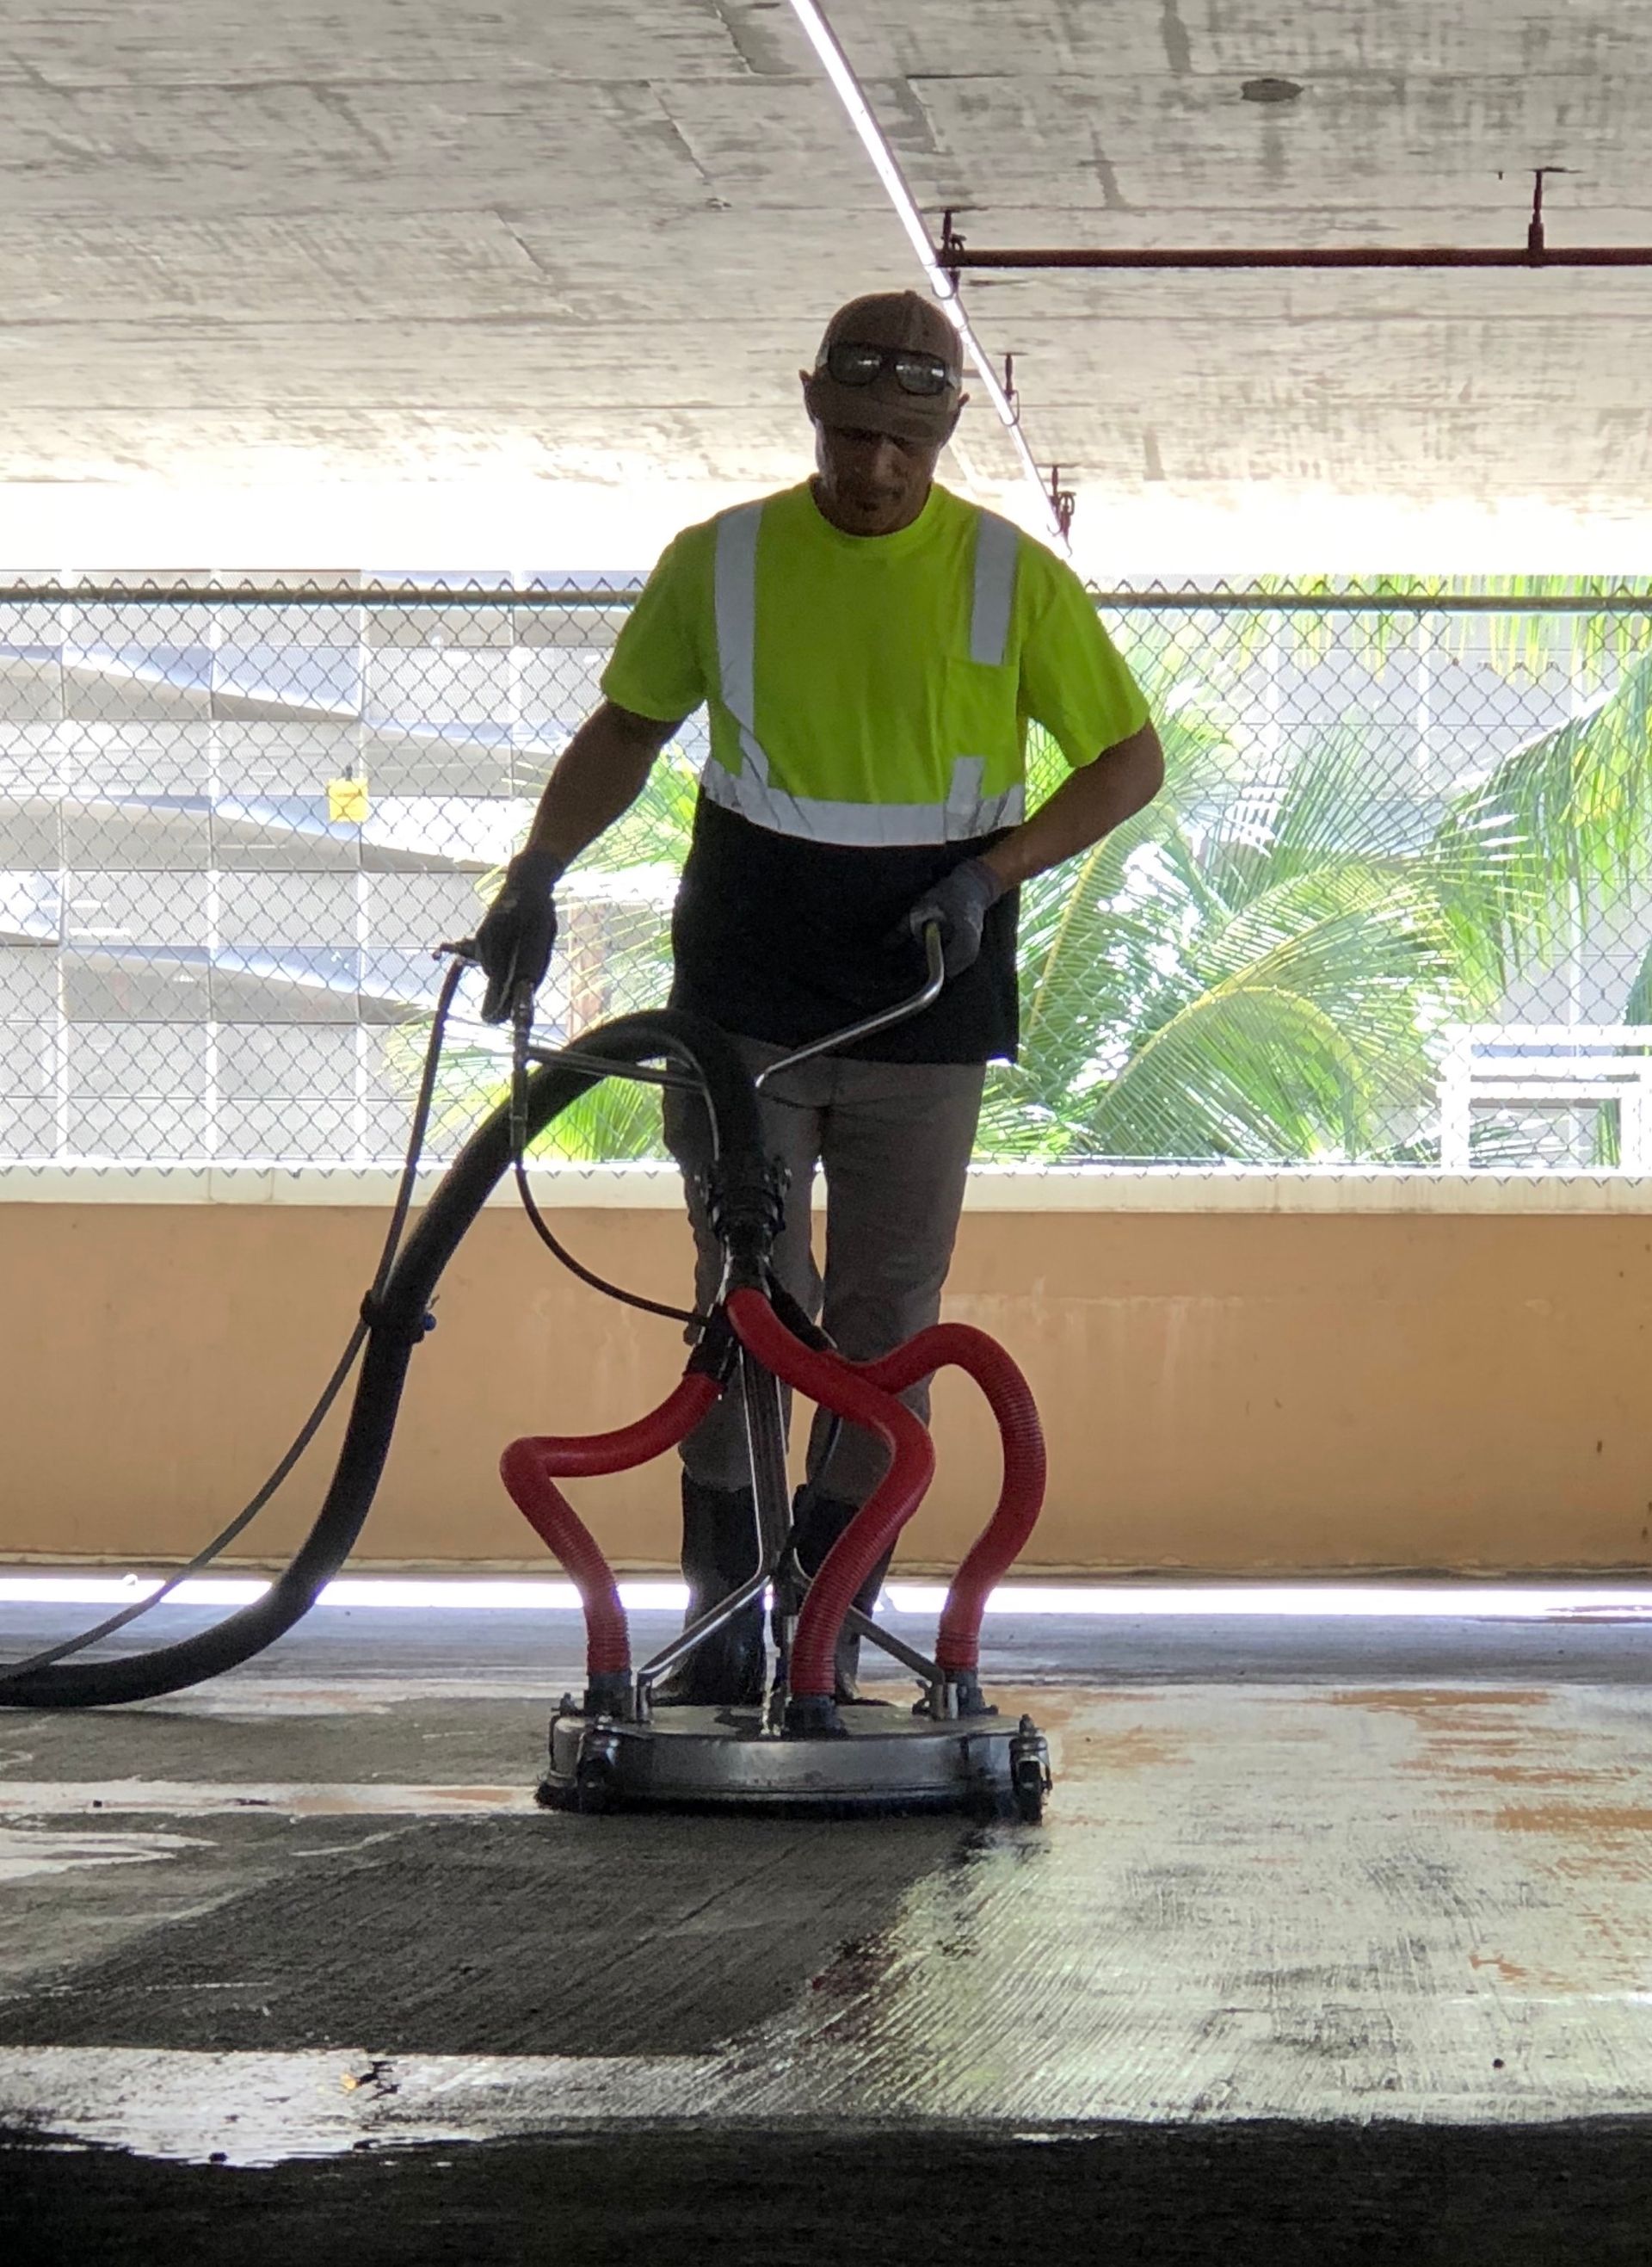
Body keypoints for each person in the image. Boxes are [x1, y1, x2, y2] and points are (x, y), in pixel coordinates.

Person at [475, 288, 1163, 1704]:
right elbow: (626, 730)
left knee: (886, 1323)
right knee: (745, 1304)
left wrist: (994, 874)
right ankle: (727, 1617)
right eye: (852, 434)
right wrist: (535, 870)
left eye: (906, 442)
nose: (875, 469)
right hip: (743, 995)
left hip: (929, 985)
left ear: (948, 430)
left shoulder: (1008, 577)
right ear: (810, 407)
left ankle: (834, 1613)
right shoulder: (720, 563)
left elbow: (1127, 761)